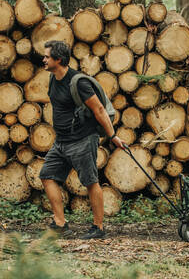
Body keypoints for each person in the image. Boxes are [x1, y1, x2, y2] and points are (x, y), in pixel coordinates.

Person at [39, 40, 126, 239]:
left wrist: (112, 136)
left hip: (82, 140)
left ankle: (98, 227)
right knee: (47, 176)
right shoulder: (53, 78)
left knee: (89, 181)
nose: (43, 59)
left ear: (58, 59)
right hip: (61, 141)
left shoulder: (79, 82)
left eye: (47, 56)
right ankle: (60, 224)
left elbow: (99, 109)